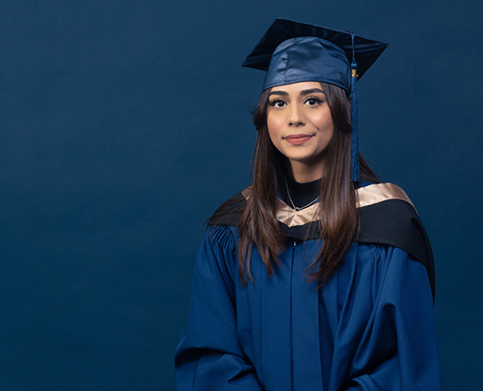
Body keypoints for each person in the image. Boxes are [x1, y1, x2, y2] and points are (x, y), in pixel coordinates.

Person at [174, 19, 440, 390]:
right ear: (264, 117)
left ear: (342, 109)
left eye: (312, 100)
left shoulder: (386, 228)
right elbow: (212, 356)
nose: (294, 117)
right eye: (278, 102)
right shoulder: (232, 229)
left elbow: (399, 364)